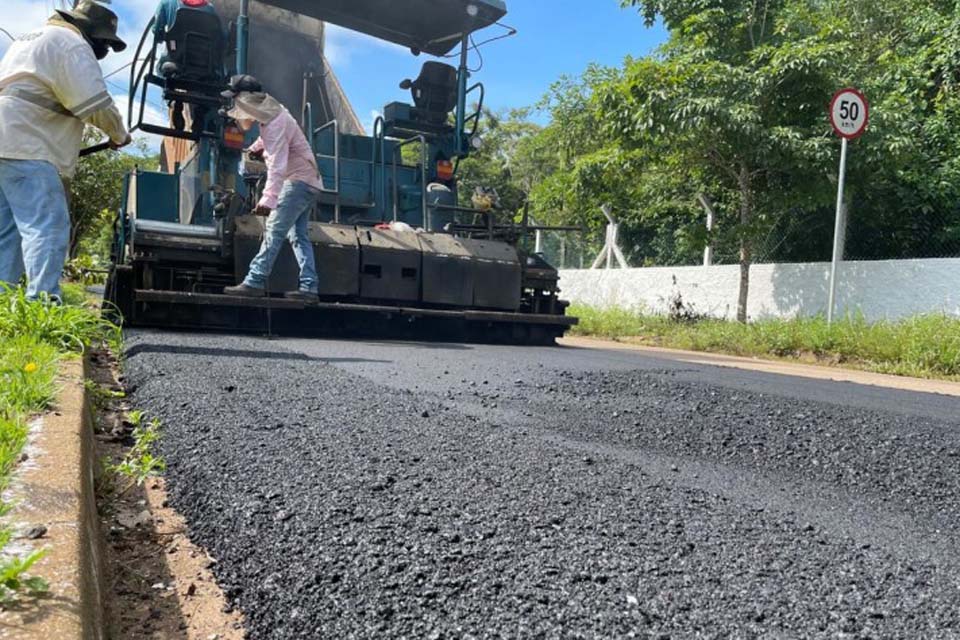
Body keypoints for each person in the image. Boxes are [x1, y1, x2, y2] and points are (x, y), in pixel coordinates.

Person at [0, 1, 131, 301]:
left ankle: (4, 307)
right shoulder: (72, 44)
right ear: (90, 31)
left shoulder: (30, 39)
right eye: (104, 43)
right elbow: (95, 103)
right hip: (30, 145)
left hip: (8, 142)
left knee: (8, 233)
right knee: (47, 227)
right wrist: (119, 134)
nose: (104, 50)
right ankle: (43, 304)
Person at [222, 82, 323, 302]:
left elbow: (277, 164)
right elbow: (269, 139)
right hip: (310, 182)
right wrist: (256, 148)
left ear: (247, 101)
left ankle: (254, 282)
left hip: (297, 182)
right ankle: (309, 287)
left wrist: (269, 199)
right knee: (298, 236)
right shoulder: (274, 114)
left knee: (274, 230)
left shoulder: (275, 123)